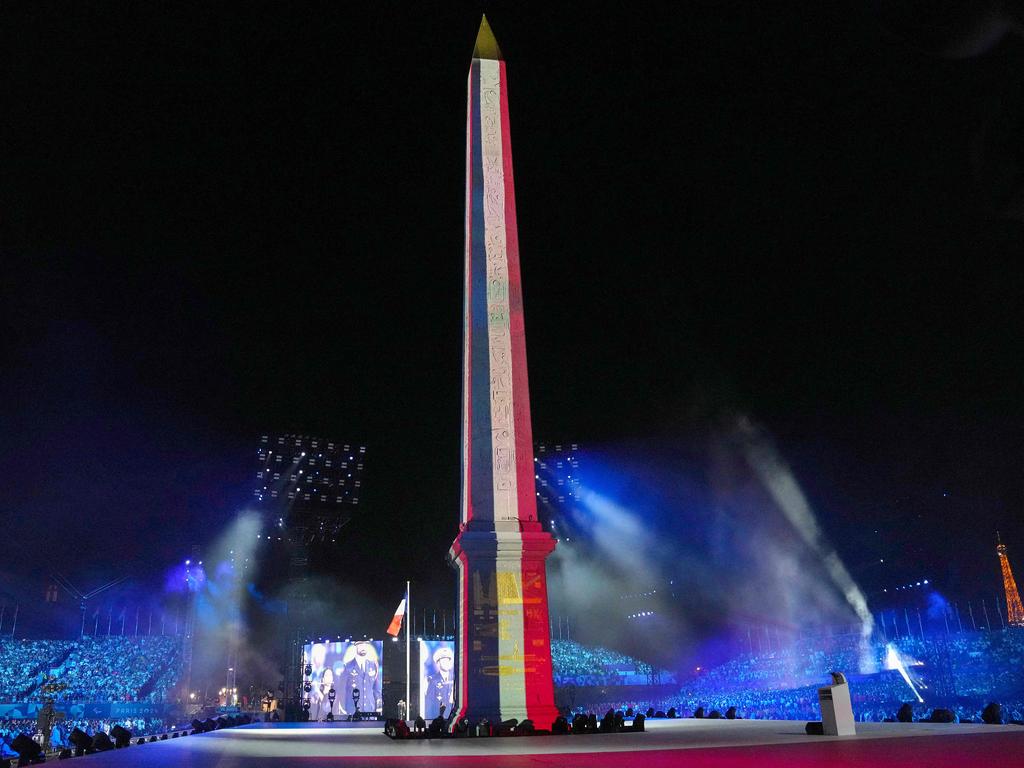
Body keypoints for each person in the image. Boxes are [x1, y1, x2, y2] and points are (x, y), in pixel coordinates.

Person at [341, 642, 382, 714]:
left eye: (365, 644)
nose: (363, 647)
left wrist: (378, 707)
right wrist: (344, 710)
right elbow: (343, 690)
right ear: (356, 646)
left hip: (370, 710)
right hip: (353, 711)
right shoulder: (348, 666)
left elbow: (376, 689)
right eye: (360, 644)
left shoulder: (373, 665)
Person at [423, 646, 455, 720]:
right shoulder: (433, 680)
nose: (446, 663)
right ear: (438, 663)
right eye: (443, 661)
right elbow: (429, 703)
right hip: (437, 717)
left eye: (448, 660)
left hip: (451, 716)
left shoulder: (454, 678)